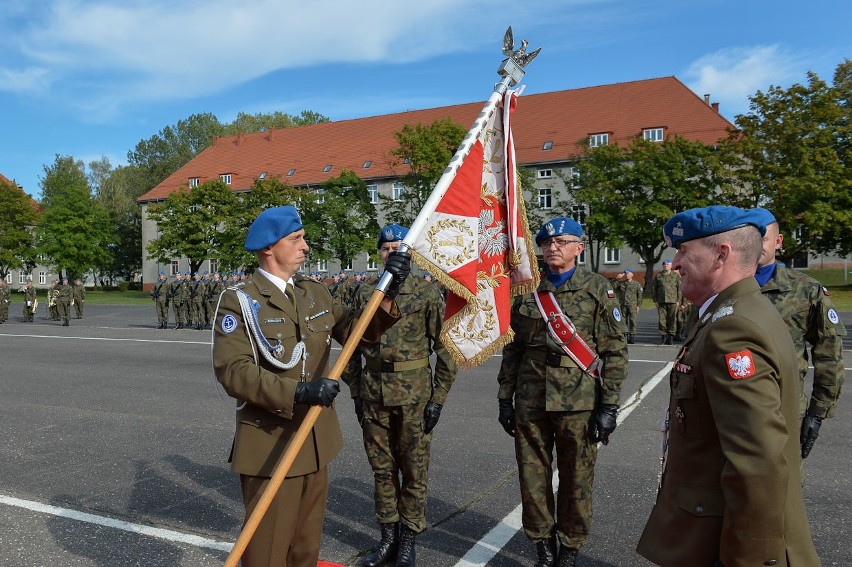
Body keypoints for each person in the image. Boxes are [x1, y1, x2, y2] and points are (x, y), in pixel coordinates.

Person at [212, 206, 410, 567]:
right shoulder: (240, 301)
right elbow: (233, 371)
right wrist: (297, 393)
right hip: (272, 444)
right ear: (269, 248)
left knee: (305, 551)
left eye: (303, 237)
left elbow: (357, 332)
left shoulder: (313, 293)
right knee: (268, 554)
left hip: (316, 441)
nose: (306, 246)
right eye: (296, 239)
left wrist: (390, 289)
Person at [637, 205, 819, 566]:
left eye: (685, 251)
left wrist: (751, 556)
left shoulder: (732, 329)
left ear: (722, 255)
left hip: (728, 544)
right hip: (716, 529)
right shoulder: (737, 312)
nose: (675, 264)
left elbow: (758, 459)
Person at [497, 217, 628, 567]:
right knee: (532, 476)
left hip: (579, 402)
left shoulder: (599, 288)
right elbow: (513, 349)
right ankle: (542, 545)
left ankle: (570, 547)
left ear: (579, 248)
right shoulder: (527, 289)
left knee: (576, 479)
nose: (553, 247)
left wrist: (610, 406)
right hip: (530, 399)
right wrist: (503, 398)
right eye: (547, 243)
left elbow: (614, 351)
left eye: (562, 241)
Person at [342, 224, 458, 567]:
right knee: (382, 470)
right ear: (379, 253)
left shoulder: (427, 295)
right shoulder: (366, 295)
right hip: (374, 392)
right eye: (386, 248)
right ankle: (387, 539)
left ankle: (408, 541)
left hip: (414, 397)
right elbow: (349, 346)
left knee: (414, 471)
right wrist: (355, 390)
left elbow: (446, 351)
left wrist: (438, 399)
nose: (392, 254)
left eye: (399, 249)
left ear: (411, 255)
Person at [751, 207, 846, 460]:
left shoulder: (806, 291)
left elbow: (829, 354)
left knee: (783, 490)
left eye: (762, 238)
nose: (754, 245)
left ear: (778, 241)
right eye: (748, 238)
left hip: (785, 410)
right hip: (728, 409)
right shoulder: (722, 288)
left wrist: (818, 411)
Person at [652, 259, 681, 344]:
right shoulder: (658, 276)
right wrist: (655, 301)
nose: (666, 266)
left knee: (672, 319)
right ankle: (663, 336)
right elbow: (654, 289)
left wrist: (678, 300)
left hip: (673, 300)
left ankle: (671, 336)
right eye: (664, 264)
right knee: (662, 320)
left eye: (668, 264)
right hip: (661, 301)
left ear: (671, 266)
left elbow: (679, 289)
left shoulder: (675, 276)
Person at [619, 268, 643, 344]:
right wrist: (618, 278)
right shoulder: (621, 284)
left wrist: (638, 305)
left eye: (629, 273)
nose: (627, 275)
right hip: (623, 305)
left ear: (632, 274)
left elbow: (640, 295)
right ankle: (624, 335)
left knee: (632, 320)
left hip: (632, 305)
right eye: (626, 274)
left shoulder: (636, 284)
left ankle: (632, 336)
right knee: (623, 320)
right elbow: (611, 285)